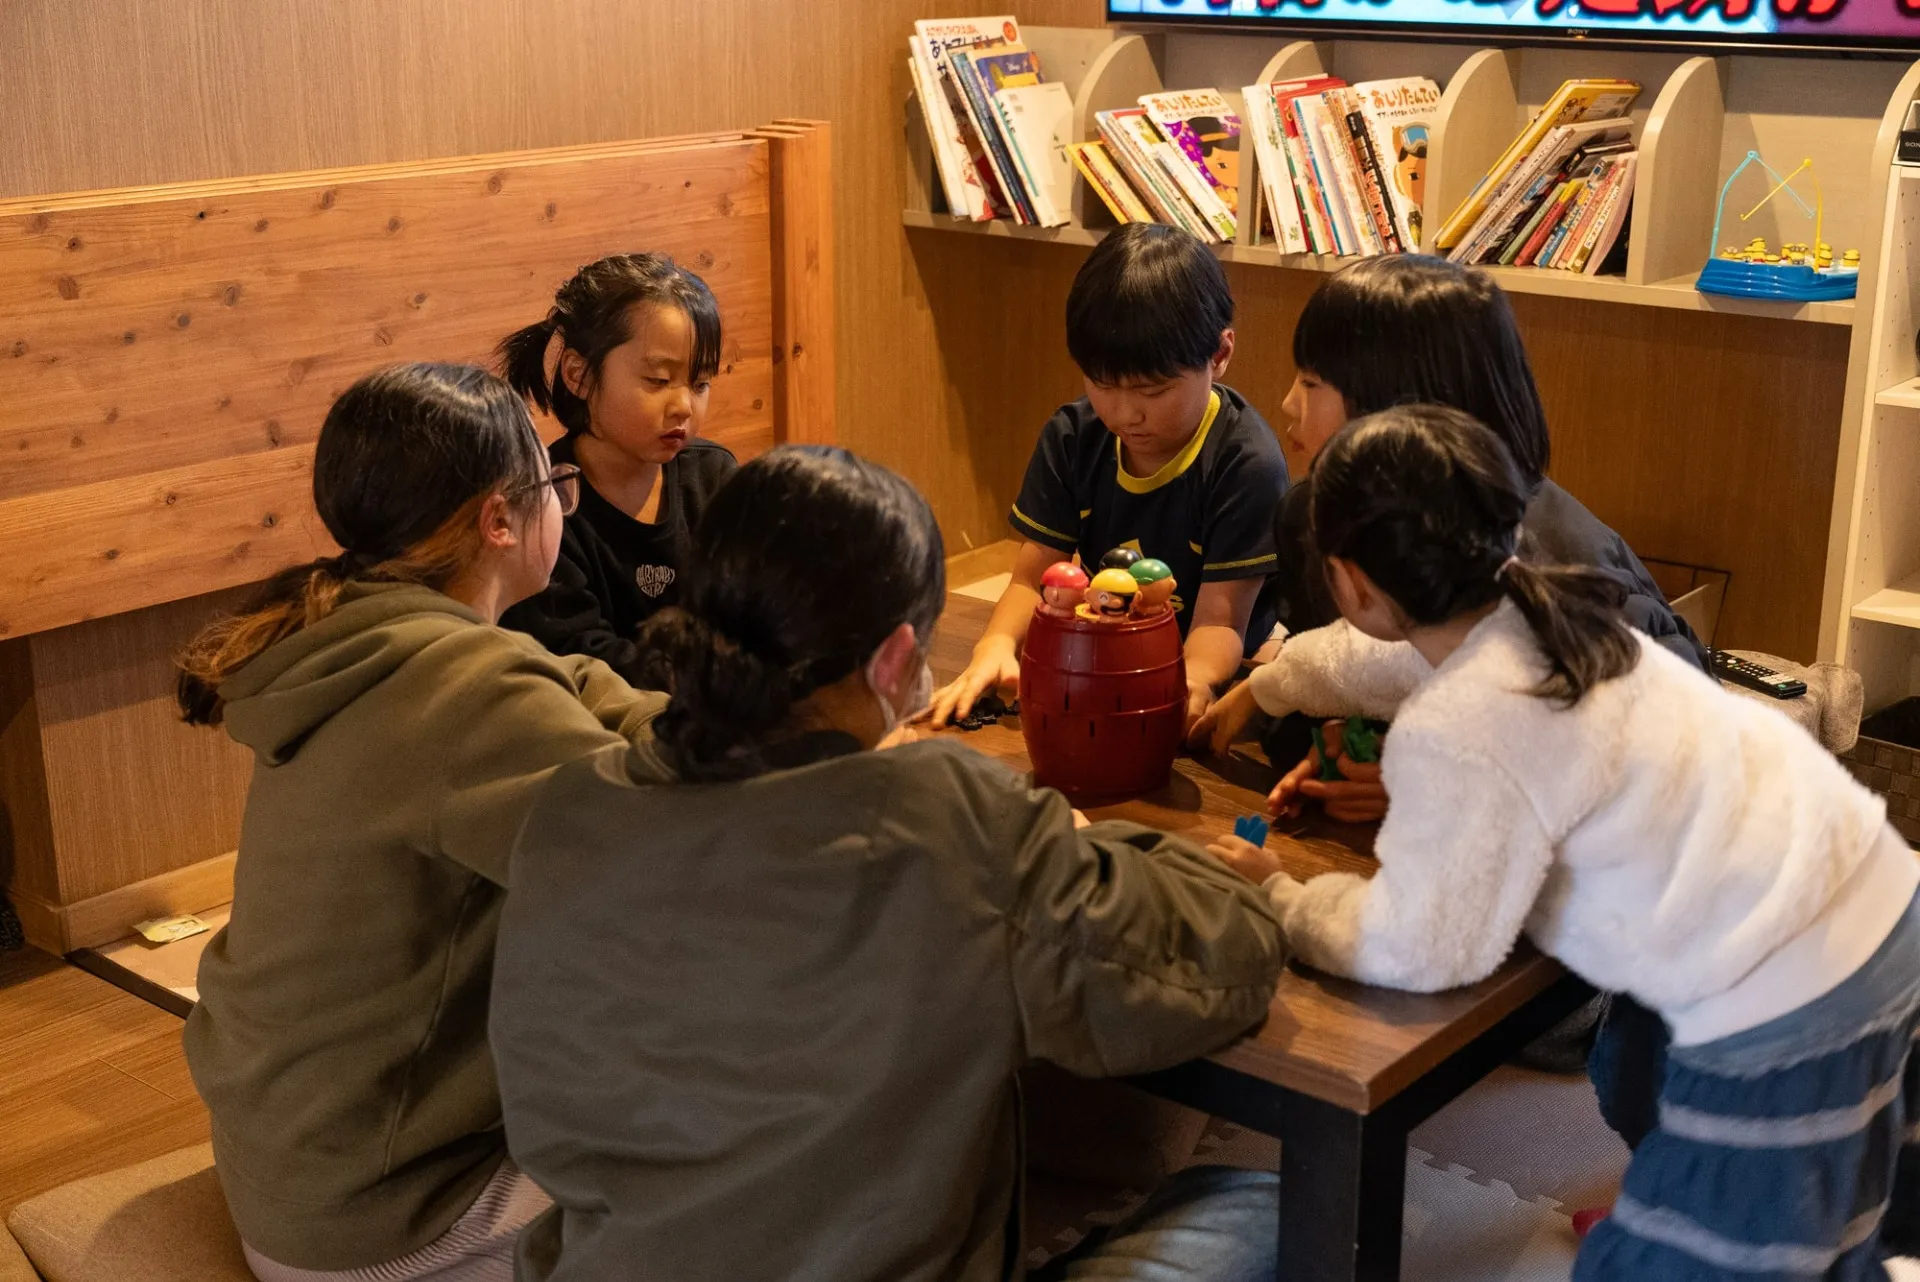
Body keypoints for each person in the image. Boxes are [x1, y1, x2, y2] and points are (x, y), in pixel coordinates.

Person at [489, 445, 1289, 1282]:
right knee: (1260, 1208)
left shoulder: (571, 806)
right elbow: (1218, 962)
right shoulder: (942, 814)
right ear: (894, 660)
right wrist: (1079, 841)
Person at [1207, 404, 1920, 1282]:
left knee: (1663, 1262)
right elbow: (1361, 662)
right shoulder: (1555, 609)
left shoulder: (1459, 721)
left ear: (1351, 584)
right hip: (1878, 906)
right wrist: (1268, 686)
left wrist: (1279, 896)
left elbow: (1419, 945)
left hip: (1785, 998)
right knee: (1791, 1193)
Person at [178, 363, 669, 1281]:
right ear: (498, 518)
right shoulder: (467, 691)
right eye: (554, 486)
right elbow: (668, 865)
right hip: (385, 1218)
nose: (563, 502)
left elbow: (575, 689)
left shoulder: (356, 638)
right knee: (763, 1139)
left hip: (293, 1159)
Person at [1197, 254, 1704, 789]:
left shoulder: (1548, 561)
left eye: (1312, 383)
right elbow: (1332, 695)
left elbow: (1663, 753)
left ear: (1402, 408)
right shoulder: (1314, 518)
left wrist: (1423, 769)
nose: (1287, 403)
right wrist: (1348, 749)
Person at [929, 222, 1288, 731]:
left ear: (1220, 355)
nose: (1124, 415)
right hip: (1106, 643)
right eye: (1101, 384)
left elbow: (1221, 624)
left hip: (1225, 657)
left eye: (1152, 391)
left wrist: (1191, 683)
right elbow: (1031, 580)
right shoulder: (1074, 436)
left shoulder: (1244, 461)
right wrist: (994, 647)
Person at [498, 252, 736, 684]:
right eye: (658, 381)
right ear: (580, 375)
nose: (684, 405)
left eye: (700, 383)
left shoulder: (714, 477)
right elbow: (580, 659)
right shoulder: (545, 503)